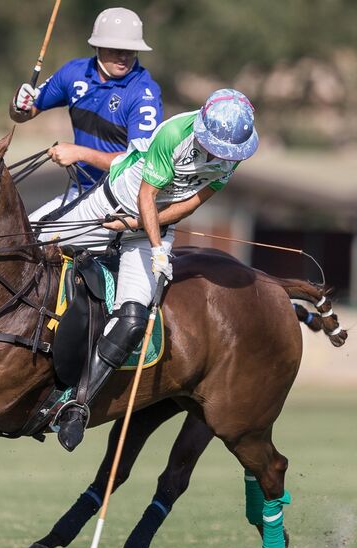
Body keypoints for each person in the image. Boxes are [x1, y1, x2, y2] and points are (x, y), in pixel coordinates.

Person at [42, 89, 261, 451]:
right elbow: (146, 195)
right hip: (107, 207)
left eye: (225, 152)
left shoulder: (231, 154)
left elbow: (190, 202)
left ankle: (77, 407)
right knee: (31, 253)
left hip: (149, 229)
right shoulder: (174, 134)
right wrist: (154, 243)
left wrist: (145, 235)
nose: (219, 156)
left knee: (133, 318)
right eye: (215, 148)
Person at [10, 7, 162, 221]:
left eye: (130, 50)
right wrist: (18, 104)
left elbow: (139, 162)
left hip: (124, 198)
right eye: (115, 49)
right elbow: (23, 115)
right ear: (97, 46)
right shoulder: (73, 73)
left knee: (38, 242)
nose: (123, 56)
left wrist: (80, 153)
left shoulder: (144, 94)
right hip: (81, 191)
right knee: (27, 237)